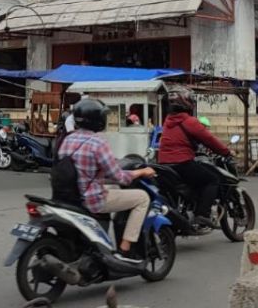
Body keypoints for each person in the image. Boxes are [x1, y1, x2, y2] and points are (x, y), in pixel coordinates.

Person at [60, 98, 156, 266]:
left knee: (111, 186)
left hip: (70, 196)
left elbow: (84, 171)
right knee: (142, 198)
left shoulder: (67, 140)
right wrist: (141, 171)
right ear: (98, 120)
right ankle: (124, 249)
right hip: (92, 200)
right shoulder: (98, 143)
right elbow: (119, 177)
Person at [157, 87, 232, 231]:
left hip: (164, 164)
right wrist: (225, 152)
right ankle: (202, 214)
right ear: (186, 103)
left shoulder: (168, 120)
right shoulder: (189, 121)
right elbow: (209, 139)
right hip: (182, 163)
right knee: (212, 180)